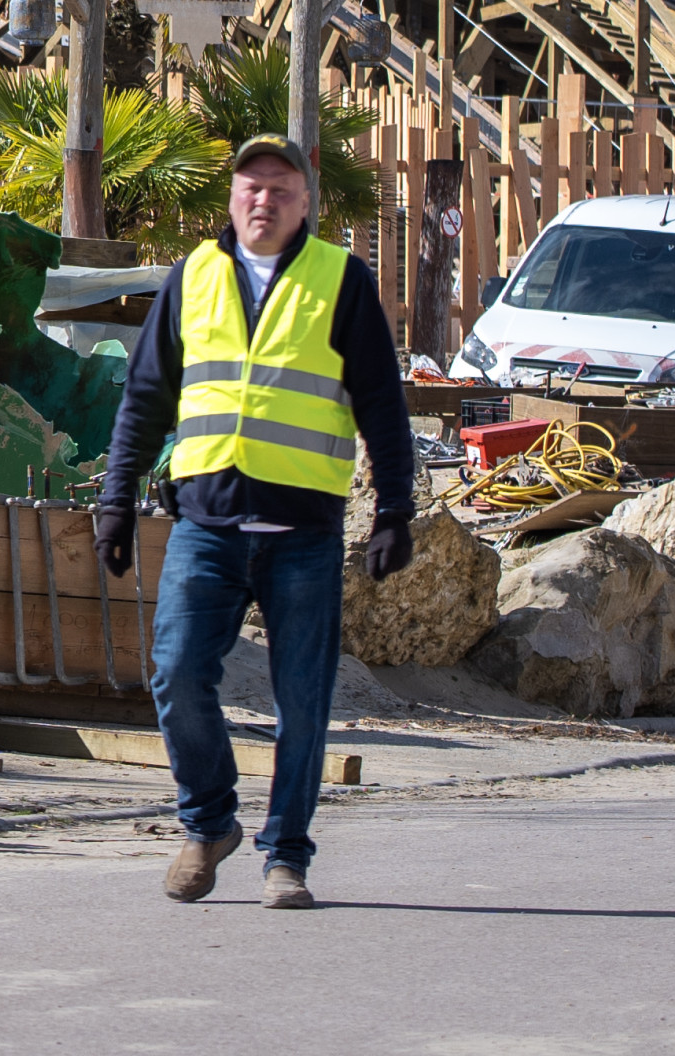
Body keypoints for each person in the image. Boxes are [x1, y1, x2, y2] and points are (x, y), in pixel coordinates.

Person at [94, 131, 419, 910]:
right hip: (205, 526)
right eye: (250, 187)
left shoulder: (341, 279)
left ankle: (287, 856)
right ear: (231, 200)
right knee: (176, 674)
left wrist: (395, 511)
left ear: (306, 202)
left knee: (301, 701)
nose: (262, 200)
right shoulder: (193, 277)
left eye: (280, 187)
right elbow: (145, 396)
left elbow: (381, 404)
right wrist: (114, 498)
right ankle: (209, 823)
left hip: (301, 531)